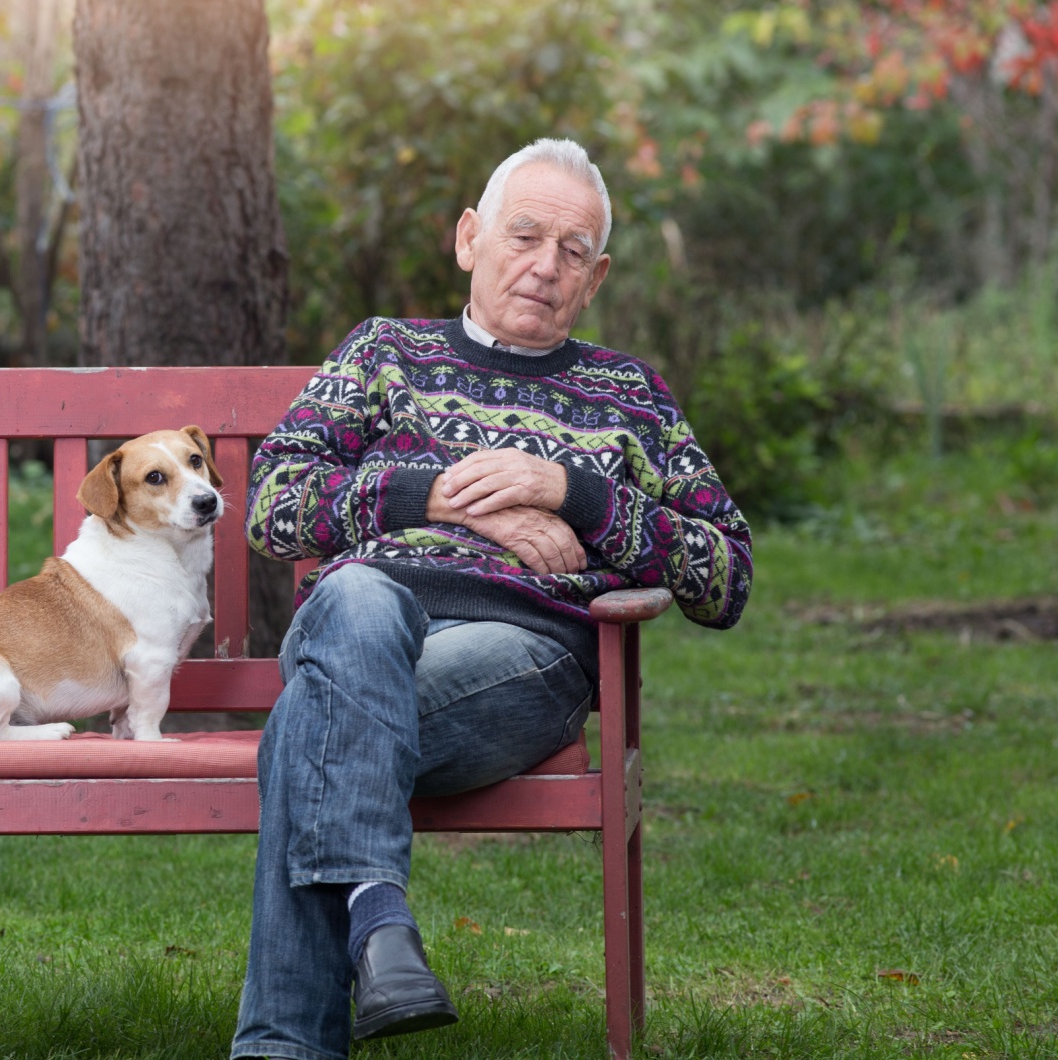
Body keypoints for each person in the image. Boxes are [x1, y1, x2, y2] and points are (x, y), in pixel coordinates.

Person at [228, 138, 753, 1060]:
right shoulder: (386, 352)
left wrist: (574, 494)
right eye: (524, 237)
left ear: (596, 278)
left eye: (573, 251)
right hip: (369, 615)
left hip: (522, 651)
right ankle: (379, 924)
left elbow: (725, 574)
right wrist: (435, 494)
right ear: (470, 239)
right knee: (355, 601)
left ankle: (291, 1036)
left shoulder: (628, 394)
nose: (545, 267)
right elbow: (272, 506)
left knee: (306, 728)